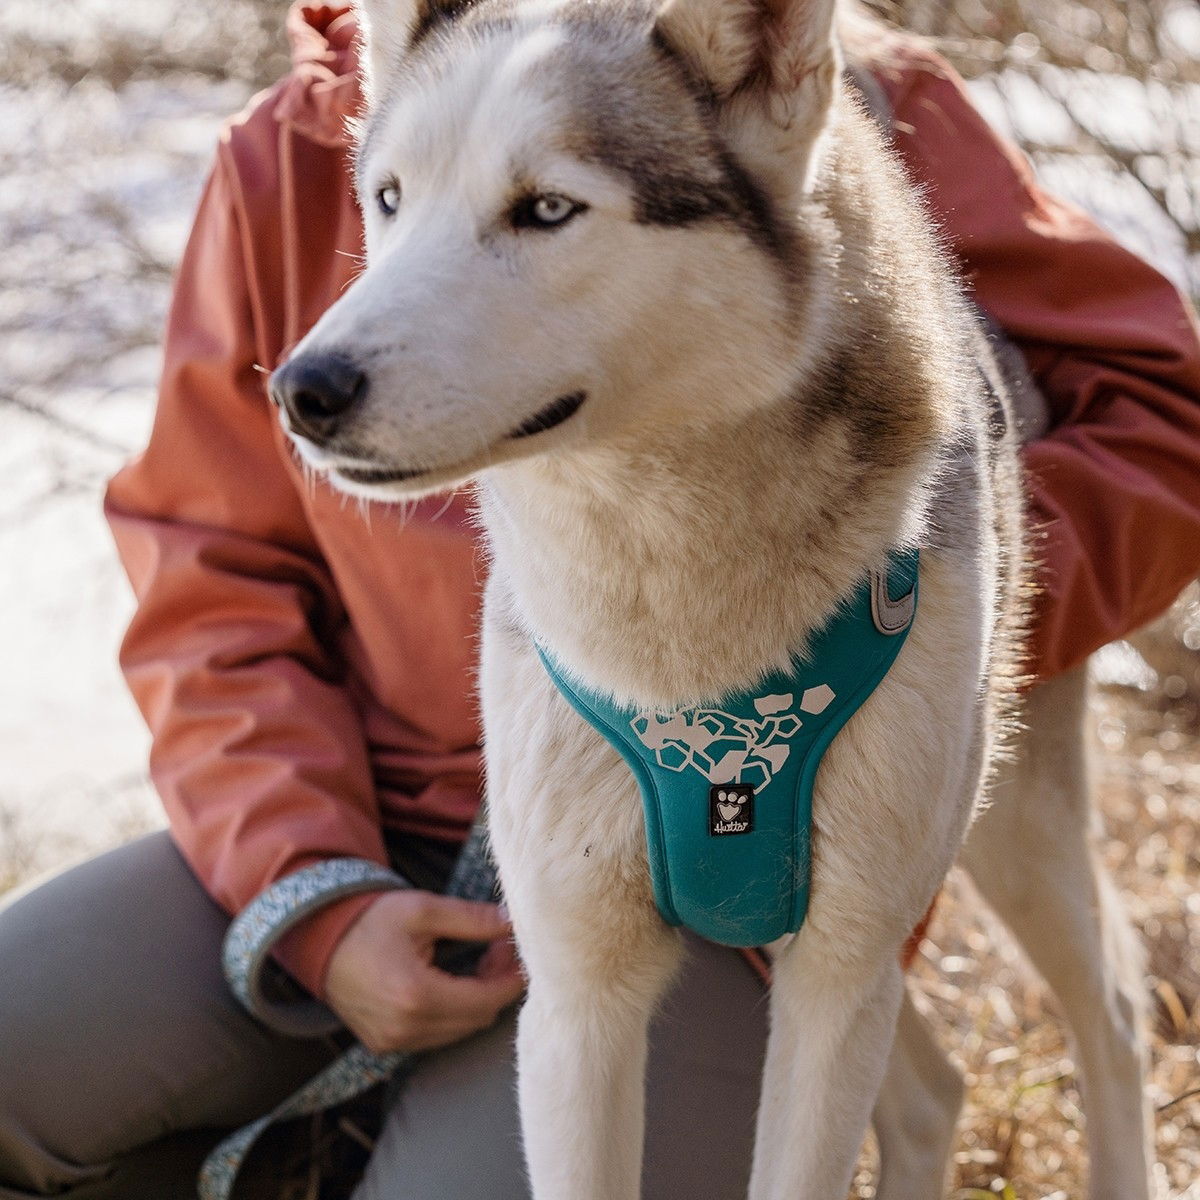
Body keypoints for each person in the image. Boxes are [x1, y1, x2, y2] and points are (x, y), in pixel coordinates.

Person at [2, 3, 1199, 1198]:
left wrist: (918, 606)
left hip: (735, 891)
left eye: (542, 209)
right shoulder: (295, 137)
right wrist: (312, 891)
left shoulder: (815, 86)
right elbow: (212, 573)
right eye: (391, 201)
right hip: (365, 823)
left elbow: (1163, 414)